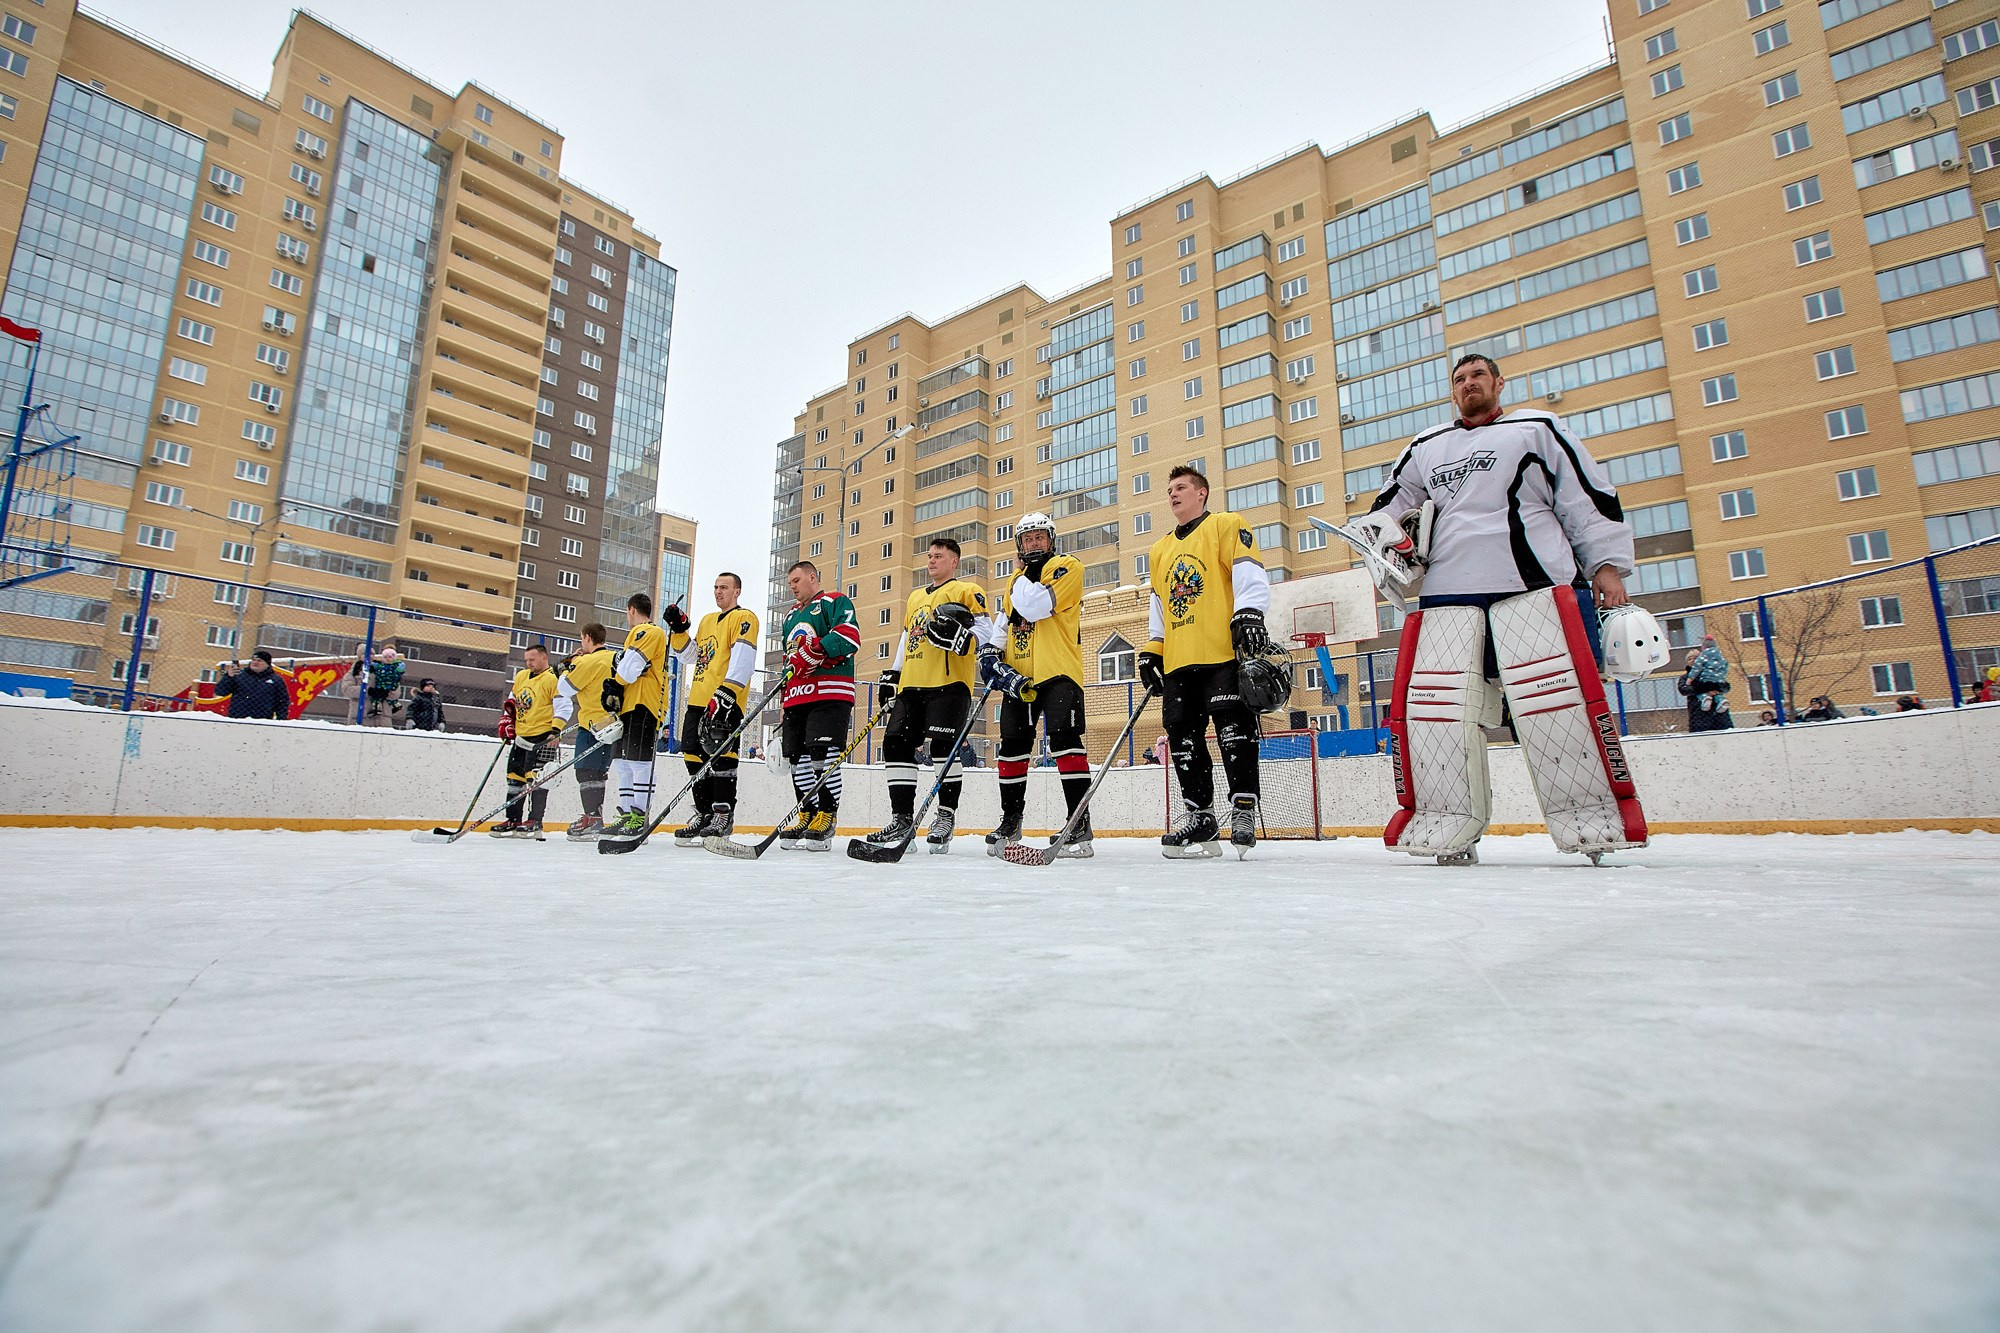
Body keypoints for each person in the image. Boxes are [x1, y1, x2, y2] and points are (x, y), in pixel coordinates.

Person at [1354, 352, 1643, 865]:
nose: (1469, 384)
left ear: (1498, 383)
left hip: (1532, 585)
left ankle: (1592, 818)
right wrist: (1382, 541)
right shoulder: (1425, 446)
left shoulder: (1536, 430)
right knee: (1437, 716)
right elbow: (1390, 507)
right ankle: (1446, 823)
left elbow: (1584, 497)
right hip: (1446, 594)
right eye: (1460, 379)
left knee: (1558, 709)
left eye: (1478, 376)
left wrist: (1606, 566)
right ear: (1452, 391)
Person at [1139, 465, 1271, 858]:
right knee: (1182, 739)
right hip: (1179, 661)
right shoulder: (1160, 550)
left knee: (1234, 731)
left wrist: (1249, 612)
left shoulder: (1227, 525)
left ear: (1202, 493)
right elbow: (1160, 604)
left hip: (1221, 654)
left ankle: (1243, 808)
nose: (1173, 494)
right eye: (1169, 490)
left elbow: (1249, 574)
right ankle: (1200, 816)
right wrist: (1154, 648)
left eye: (1181, 487)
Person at [979, 512, 1093, 858]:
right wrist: (990, 653)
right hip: (1021, 679)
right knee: (1012, 749)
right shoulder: (1014, 583)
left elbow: (1035, 606)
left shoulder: (1067, 567)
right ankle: (1011, 820)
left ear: (1051, 539)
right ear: (1019, 544)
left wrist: (1019, 576)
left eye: (1039, 537)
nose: (1033, 544)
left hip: (1059, 672)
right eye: (1027, 539)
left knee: (1065, 743)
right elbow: (1003, 626)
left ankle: (1079, 823)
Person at [866, 537, 987, 853]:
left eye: (938, 556)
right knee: (895, 744)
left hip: (948, 683)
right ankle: (902, 819)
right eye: (930, 556)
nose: (931, 560)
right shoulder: (915, 597)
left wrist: (964, 636)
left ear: (954, 561)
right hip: (912, 684)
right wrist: (893, 674)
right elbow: (907, 636)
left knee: (943, 747)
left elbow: (985, 631)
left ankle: (945, 817)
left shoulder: (967, 591)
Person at [664, 572, 760, 845]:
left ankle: (723, 814)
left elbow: (743, 659)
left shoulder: (744, 618)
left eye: (724, 587)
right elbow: (691, 656)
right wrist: (679, 630)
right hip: (698, 699)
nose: (718, 591)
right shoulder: (707, 620)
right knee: (692, 754)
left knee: (722, 755)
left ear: (737, 591)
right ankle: (705, 813)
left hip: (724, 700)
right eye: (716, 587)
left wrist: (727, 692)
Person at [773, 560, 860, 851]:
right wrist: (784, 698)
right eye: (790, 583)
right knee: (796, 758)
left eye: (796, 581)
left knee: (822, 754)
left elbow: (849, 636)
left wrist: (817, 649)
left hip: (829, 691)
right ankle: (807, 813)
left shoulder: (834, 602)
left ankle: (827, 813)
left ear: (812, 577)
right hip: (797, 696)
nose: (793, 587)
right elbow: (789, 659)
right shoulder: (790, 616)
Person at [601, 592, 670, 841]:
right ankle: (627, 813)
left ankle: (640, 816)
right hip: (630, 705)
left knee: (639, 762)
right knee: (622, 763)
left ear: (631, 609)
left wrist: (614, 684)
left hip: (645, 704)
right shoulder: (637, 635)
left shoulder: (649, 632)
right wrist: (616, 689)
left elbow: (629, 670)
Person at [489, 643, 562, 839]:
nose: (529, 663)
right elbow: (512, 701)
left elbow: (563, 706)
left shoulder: (553, 679)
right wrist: (507, 720)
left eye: (532, 659)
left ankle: (535, 821)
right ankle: (513, 819)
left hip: (543, 737)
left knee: (538, 780)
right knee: (515, 778)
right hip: (521, 736)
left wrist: (556, 730)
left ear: (544, 658)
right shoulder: (521, 676)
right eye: (526, 660)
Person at [554, 625, 619, 840]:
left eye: (582, 638)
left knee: (585, 772)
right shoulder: (614, 658)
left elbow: (565, 688)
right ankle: (595, 816)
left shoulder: (586, 661)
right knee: (599, 772)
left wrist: (568, 666)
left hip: (592, 724)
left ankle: (592, 819)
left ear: (588, 638)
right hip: (613, 723)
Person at [1678, 635, 1733, 732]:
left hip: (1718, 714)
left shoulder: (1713, 673)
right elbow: (1684, 689)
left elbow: (1726, 686)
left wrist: (1715, 688)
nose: (1693, 660)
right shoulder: (1686, 677)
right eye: (1690, 659)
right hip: (1698, 713)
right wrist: (1706, 689)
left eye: (1695, 658)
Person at [216, 650, 290, 720]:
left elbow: (282, 701)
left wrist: (281, 718)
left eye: (259, 660)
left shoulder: (276, 680)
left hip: (262, 720)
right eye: (253, 660)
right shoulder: (239, 675)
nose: (255, 662)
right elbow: (221, 692)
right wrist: (228, 677)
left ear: (267, 663)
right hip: (238, 717)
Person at [355, 643, 405, 722]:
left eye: (372, 654)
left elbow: (395, 693)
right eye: (365, 654)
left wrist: (391, 686)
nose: (369, 656)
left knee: (380, 697)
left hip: (384, 716)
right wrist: (368, 690)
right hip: (362, 714)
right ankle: (387, 706)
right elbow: (347, 689)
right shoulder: (355, 670)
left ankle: (391, 705)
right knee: (377, 697)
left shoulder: (382, 668)